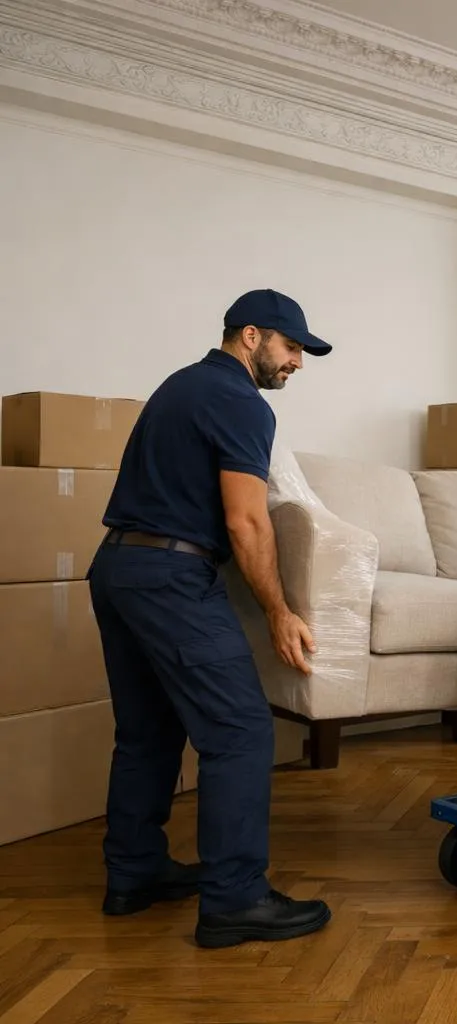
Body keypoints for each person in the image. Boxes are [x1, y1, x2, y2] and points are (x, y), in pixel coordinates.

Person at [90, 288, 335, 949]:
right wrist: (279, 611)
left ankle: (134, 874)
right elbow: (246, 518)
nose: (298, 364)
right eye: (291, 348)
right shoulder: (238, 401)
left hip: (116, 569)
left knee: (147, 733)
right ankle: (235, 900)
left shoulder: (182, 385)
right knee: (241, 732)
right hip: (170, 577)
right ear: (250, 336)